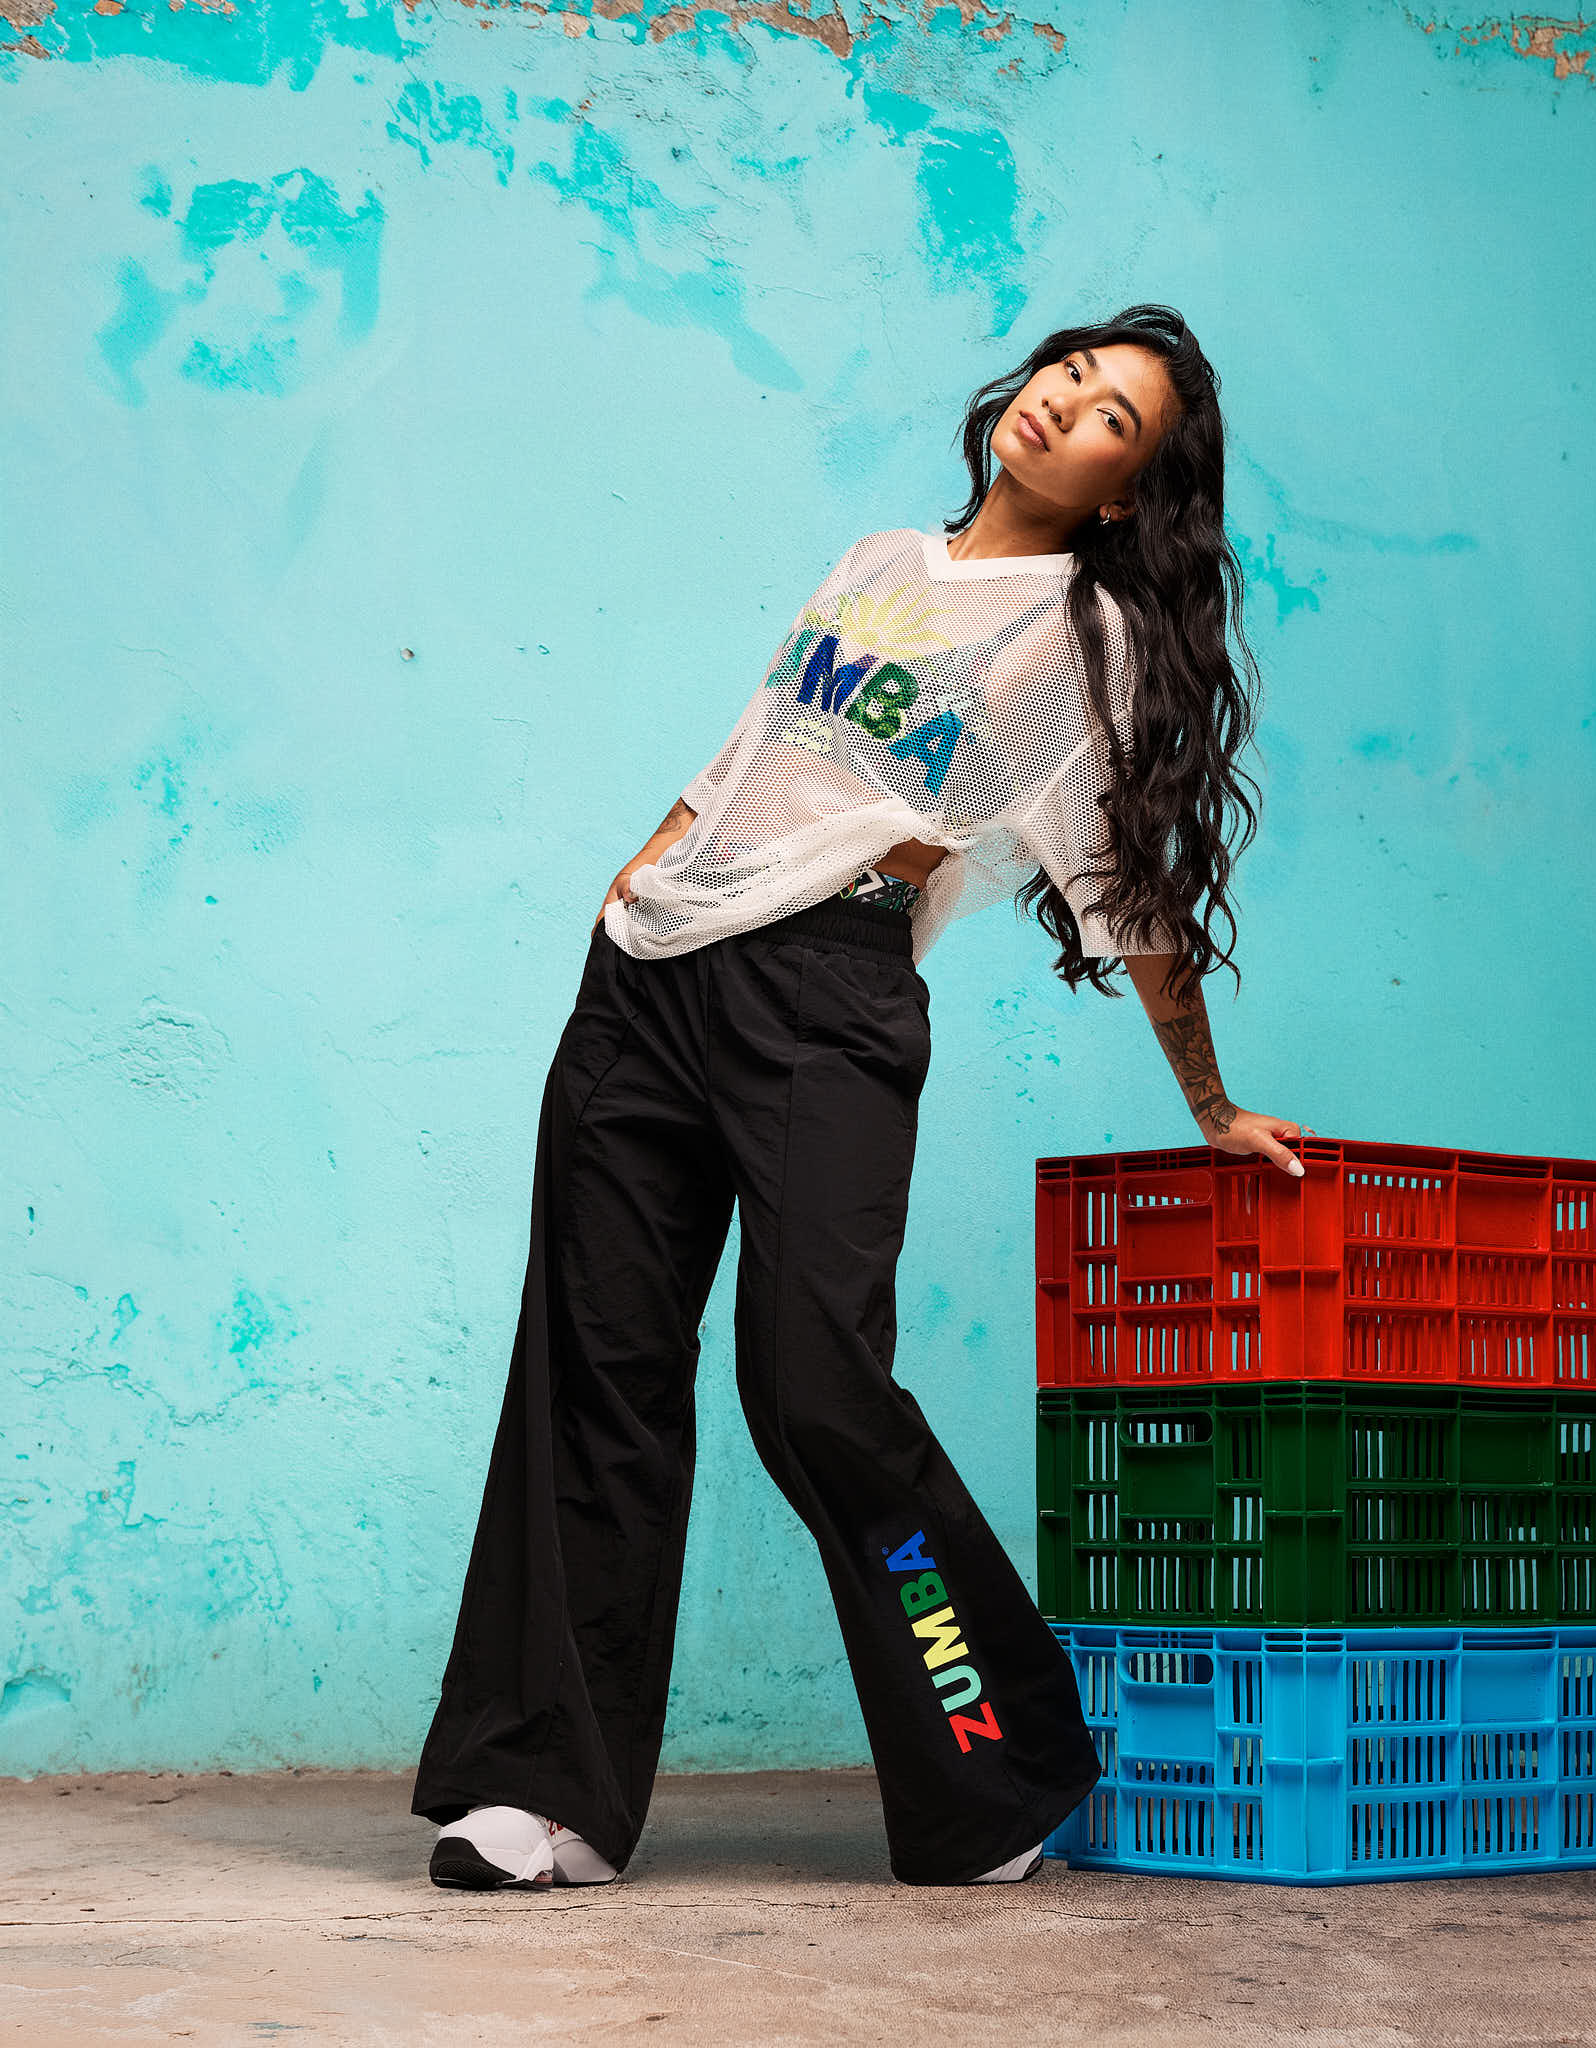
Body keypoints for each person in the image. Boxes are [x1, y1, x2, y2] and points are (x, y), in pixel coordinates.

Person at [410, 302, 1316, 1892]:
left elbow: (1127, 890)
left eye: (1110, 413)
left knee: (813, 1382)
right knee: (595, 1372)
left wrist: (1206, 1098)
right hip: (650, 972)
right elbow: (751, 750)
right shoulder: (877, 556)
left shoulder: (1075, 635)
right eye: (1068, 374)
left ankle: (997, 1770)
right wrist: (639, 875)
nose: (1062, 405)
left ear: (1124, 492)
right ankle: (544, 1790)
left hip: (821, 1000)